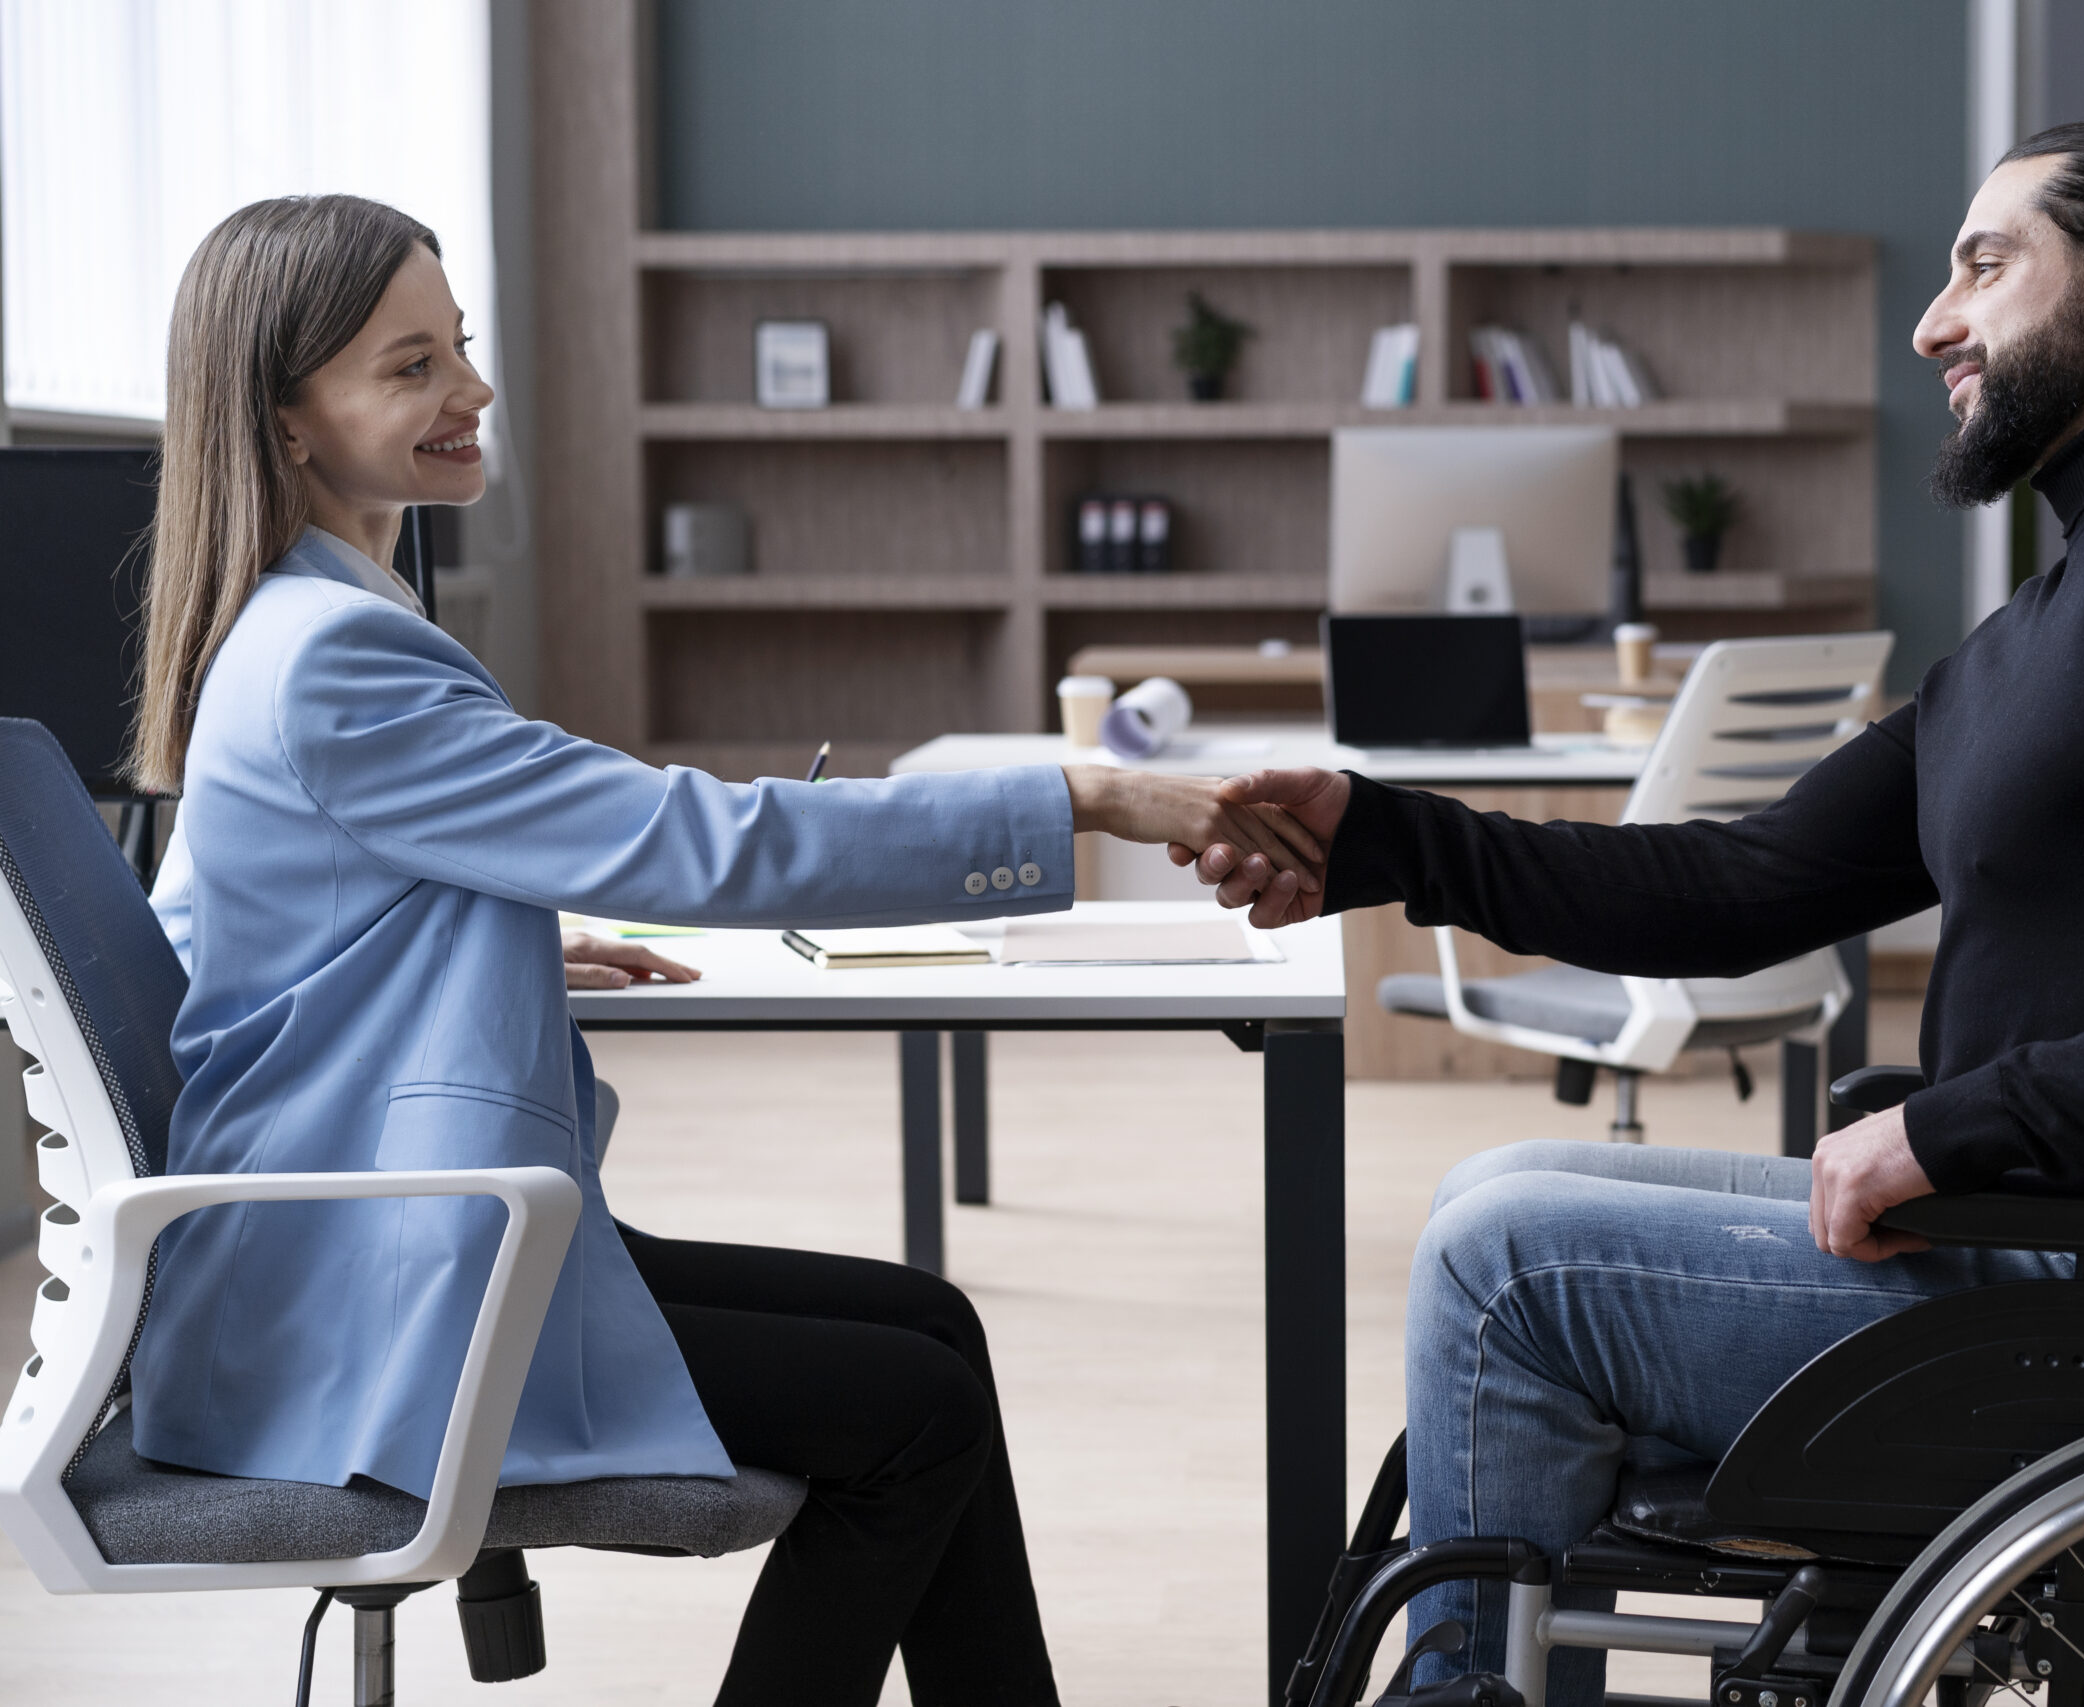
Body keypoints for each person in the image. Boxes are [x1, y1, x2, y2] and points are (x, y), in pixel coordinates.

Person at [1176, 122, 2084, 1702]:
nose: (1933, 322)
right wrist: (1383, 838)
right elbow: (1744, 884)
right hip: (2052, 1250)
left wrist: (1949, 1129)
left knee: (1507, 1268)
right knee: (1501, 1181)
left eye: (1984, 265)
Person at [128, 194, 1318, 1707]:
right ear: (286, 422)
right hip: (365, 1297)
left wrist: (457, 949)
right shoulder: (334, 657)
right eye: (409, 366)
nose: (472, 393)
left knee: (931, 1325)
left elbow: (201, 937)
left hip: (334, 1256)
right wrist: (1077, 795)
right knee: (915, 1419)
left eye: (463, 349)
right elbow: (713, 842)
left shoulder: (288, 628)